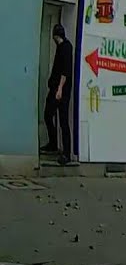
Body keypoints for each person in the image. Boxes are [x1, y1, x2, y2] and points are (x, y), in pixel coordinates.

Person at [41, 23, 74, 164]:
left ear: (55, 36)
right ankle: (54, 145)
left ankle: (65, 153)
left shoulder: (65, 48)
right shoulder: (63, 47)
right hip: (57, 88)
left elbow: (65, 71)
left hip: (60, 90)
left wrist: (60, 88)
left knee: (59, 119)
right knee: (52, 116)